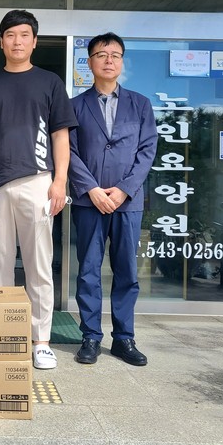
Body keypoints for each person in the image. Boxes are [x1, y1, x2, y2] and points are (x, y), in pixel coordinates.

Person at [0, 10, 78, 370]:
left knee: (38, 265)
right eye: (11, 35)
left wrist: (60, 181)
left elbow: (61, 135)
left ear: (34, 41)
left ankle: (40, 340)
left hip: (37, 181)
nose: (17, 41)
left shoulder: (49, 82)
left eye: (24, 35)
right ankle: (1, 334)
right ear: (1, 42)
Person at [68, 32, 157, 366]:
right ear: (90, 62)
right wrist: (91, 189)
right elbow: (69, 152)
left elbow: (147, 150)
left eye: (115, 55)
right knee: (88, 271)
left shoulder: (140, 104)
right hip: (88, 201)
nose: (109, 60)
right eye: (102, 55)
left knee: (126, 271)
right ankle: (91, 336)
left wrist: (123, 189)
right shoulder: (75, 106)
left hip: (127, 202)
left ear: (122, 62)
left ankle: (124, 338)